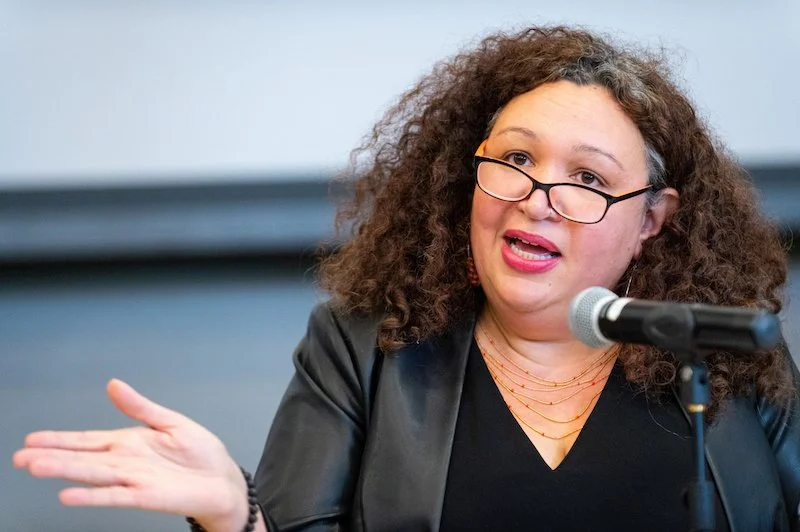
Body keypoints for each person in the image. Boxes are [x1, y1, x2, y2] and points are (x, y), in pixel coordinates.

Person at [12, 25, 800, 531]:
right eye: (515, 161)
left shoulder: (723, 355)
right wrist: (232, 516)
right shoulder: (363, 348)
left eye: (588, 180)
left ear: (652, 219)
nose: (536, 200)